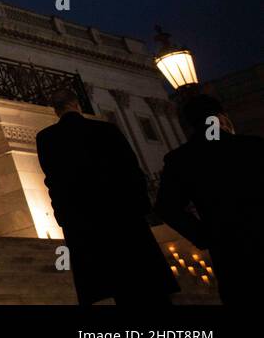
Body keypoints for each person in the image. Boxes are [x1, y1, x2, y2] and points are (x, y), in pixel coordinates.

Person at [35, 88, 177, 305]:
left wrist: (64, 218)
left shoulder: (47, 138)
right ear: (77, 105)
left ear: (55, 110)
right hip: (123, 217)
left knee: (110, 285)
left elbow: (53, 181)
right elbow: (132, 171)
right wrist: (141, 208)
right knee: (146, 287)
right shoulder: (106, 130)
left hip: (83, 224)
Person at [156, 91, 264, 305]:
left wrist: (203, 235)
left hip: (229, 252)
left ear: (189, 124)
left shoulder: (181, 159)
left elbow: (166, 207)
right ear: (221, 117)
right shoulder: (254, 146)